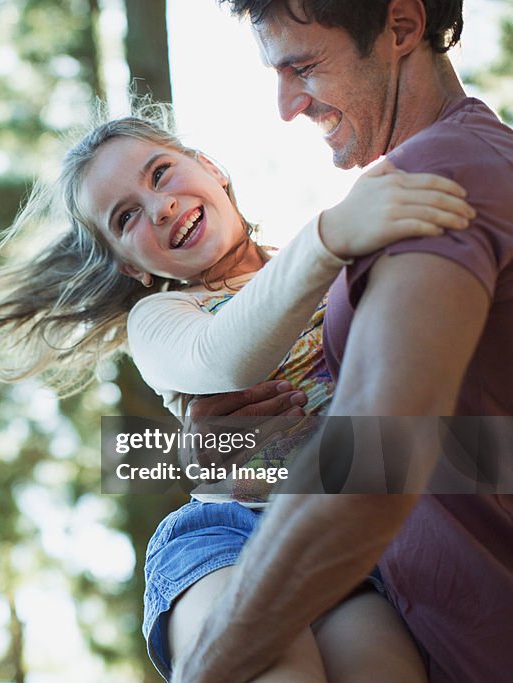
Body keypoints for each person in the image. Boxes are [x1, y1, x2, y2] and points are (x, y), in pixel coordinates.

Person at [0, 100, 474, 680]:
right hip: (229, 533)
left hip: (338, 544)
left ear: (211, 168)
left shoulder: (329, 266)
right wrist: (332, 237)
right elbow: (224, 358)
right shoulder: (164, 316)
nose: (160, 205)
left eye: (161, 173)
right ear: (131, 268)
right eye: (126, 218)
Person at [162, 1, 513, 681]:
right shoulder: (439, 175)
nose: (287, 105)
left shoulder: (441, 173)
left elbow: (378, 456)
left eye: (303, 66)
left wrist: (206, 667)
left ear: (402, 28)